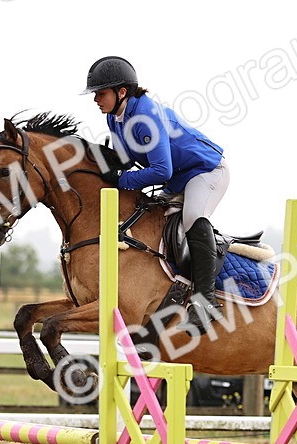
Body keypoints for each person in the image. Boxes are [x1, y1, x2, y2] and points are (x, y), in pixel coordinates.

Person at [82, 55, 230, 333]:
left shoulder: (146, 115)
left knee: (192, 217)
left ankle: (206, 301)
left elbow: (161, 170)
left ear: (121, 92)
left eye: (100, 93)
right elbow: (125, 160)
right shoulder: (115, 118)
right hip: (178, 178)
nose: (95, 100)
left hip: (206, 171)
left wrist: (122, 178)